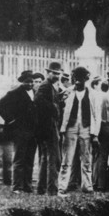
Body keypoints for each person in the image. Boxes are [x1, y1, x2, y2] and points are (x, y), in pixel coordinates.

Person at [58, 66, 100, 195]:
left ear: (85, 79)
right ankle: (62, 186)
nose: (77, 81)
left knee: (86, 158)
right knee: (67, 159)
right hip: (70, 128)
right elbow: (60, 109)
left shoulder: (93, 94)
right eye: (75, 78)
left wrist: (95, 134)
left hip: (86, 128)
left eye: (80, 79)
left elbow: (96, 115)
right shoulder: (68, 92)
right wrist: (62, 129)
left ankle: (87, 186)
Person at [0, 70, 38, 193]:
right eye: (27, 82)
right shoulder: (14, 93)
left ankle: (27, 185)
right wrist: (10, 119)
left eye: (32, 82)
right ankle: (17, 186)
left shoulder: (36, 93)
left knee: (30, 159)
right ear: (22, 81)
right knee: (19, 159)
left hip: (33, 131)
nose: (30, 84)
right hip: (20, 131)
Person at [34, 62, 63, 195]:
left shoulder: (50, 86)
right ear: (48, 73)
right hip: (48, 127)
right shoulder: (45, 86)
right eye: (54, 73)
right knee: (54, 159)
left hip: (47, 127)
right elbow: (39, 102)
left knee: (46, 159)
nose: (57, 75)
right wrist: (55, 107)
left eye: (58, 73)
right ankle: (52, 190)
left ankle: (42, 188)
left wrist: (59, 100)